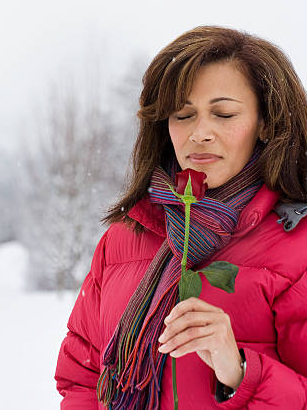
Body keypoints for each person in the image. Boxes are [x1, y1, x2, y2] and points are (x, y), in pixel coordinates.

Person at [55, 25, 307, 408]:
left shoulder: (298, 248)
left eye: (223, 113)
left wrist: (239, 370)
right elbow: (81, 380)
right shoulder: (124, 238)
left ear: (267, 124)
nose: (200, 133)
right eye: (183, 115)